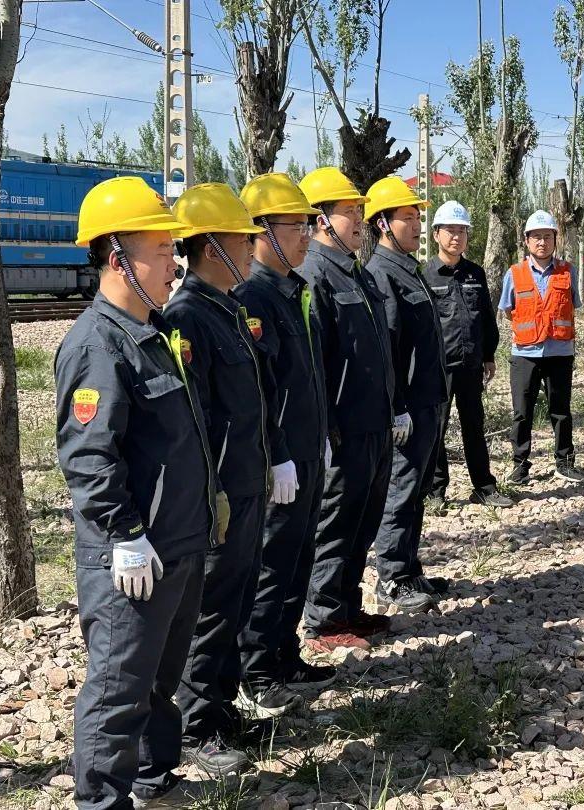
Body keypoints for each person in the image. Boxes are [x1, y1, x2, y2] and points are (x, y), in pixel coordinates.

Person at [55, 176, 215, 808]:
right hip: (133, 549)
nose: (174, 263)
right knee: (119, 686)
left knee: (158, 678)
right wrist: (123, 533)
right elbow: (88, 455)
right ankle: (100, 800)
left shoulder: (152, 331)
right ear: (119, 257)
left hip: (176, 541)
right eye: (162, 249)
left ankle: (153, 776)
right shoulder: (97, 345)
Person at [164, 183, 273, 774]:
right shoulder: (187, 317)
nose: (252, 249)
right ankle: (195, 727)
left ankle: (221, 708)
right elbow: (196, 421)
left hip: (248, 483)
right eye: (242, 240)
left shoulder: (227, 309)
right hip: (222, 495)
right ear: (211, 248)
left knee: (237, 601)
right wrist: (216, 495)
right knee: (209, 611)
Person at [234, 173, 337, 714]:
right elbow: (261, 390)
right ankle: (256, 671)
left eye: (306, 223)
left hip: (307, 451)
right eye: (294, 225)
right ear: (261, 232)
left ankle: (283, 654)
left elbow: (306, 375)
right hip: (281, 462)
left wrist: (319, 437)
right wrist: (277, 455)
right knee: (272, 565)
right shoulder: (253, 297)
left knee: (299, 558)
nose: (305, 235)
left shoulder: (293, 289)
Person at [297, 167, 395, 652]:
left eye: (359, 210)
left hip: (373, 424)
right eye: (349, 211)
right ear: (321, 219)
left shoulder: (354, 269)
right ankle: (323, 619)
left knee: (363, 521)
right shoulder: (314, 275)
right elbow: (314, 363)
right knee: (336, 524)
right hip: (344, 431)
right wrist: (326, 431)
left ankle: (348, 606)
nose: (359, 220)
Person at [362, 176, 448, 613]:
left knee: (416, 489)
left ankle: (410, 569)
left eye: (418, 217)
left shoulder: (408, 269)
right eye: (407, 218)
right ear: (382, 224)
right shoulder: (381, 274)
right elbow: (388, 349)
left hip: (429, 400)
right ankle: (391, 578)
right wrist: (396, 409)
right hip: (408, 408)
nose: (417, 225)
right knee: (400, 489)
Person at [424, 201, 512, 510]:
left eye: (461, 231)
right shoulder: (425, 275)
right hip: (439, 368)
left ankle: (484, 487)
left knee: (474, 426)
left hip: (471, 365)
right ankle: (436, 492)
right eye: (450, 230)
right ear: (436, 234)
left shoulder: (475, 273)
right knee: (436, 430)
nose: (456, 237)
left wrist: (489, 355)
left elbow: (486, 318)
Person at [498, 210, 584, 485]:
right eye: (536, 237)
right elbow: (508, 311)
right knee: (522, 413)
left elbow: (573, 305)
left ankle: (565, 463)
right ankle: (520, 465)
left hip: (559, 352)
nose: (542, 242)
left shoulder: (568, 271)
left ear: (555, 240)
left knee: (561, 410)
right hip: (525, 353)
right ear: (526, 240)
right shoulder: (514, 274)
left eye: (547, 236)